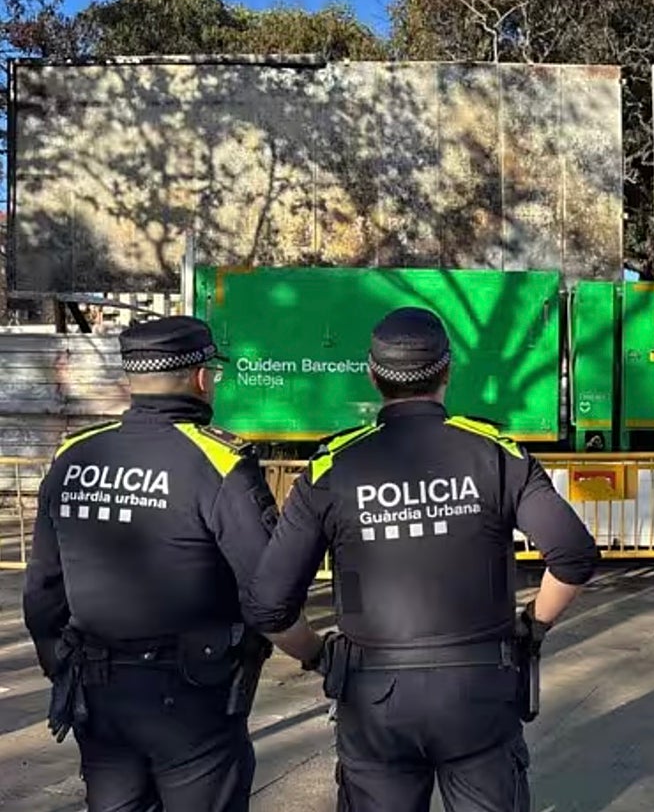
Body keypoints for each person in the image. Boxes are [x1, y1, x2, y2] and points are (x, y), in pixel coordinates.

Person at [244, 306, 600, 812]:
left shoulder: (332, 465)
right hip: (479, 689)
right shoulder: (496, 453)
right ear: (448, 371)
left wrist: (319, 655)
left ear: (372, 374)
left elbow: (268, 606)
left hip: (373, 699)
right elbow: (574, 555)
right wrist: (532, 627)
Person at [22, 316, 320, 812]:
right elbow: (268, 590)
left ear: (131, 378)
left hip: (99, 693)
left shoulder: (73, 457)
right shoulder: (219, 462)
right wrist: (313, 653)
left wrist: (62, 667)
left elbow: (42, 591)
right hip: (192, 698)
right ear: (202, 378)